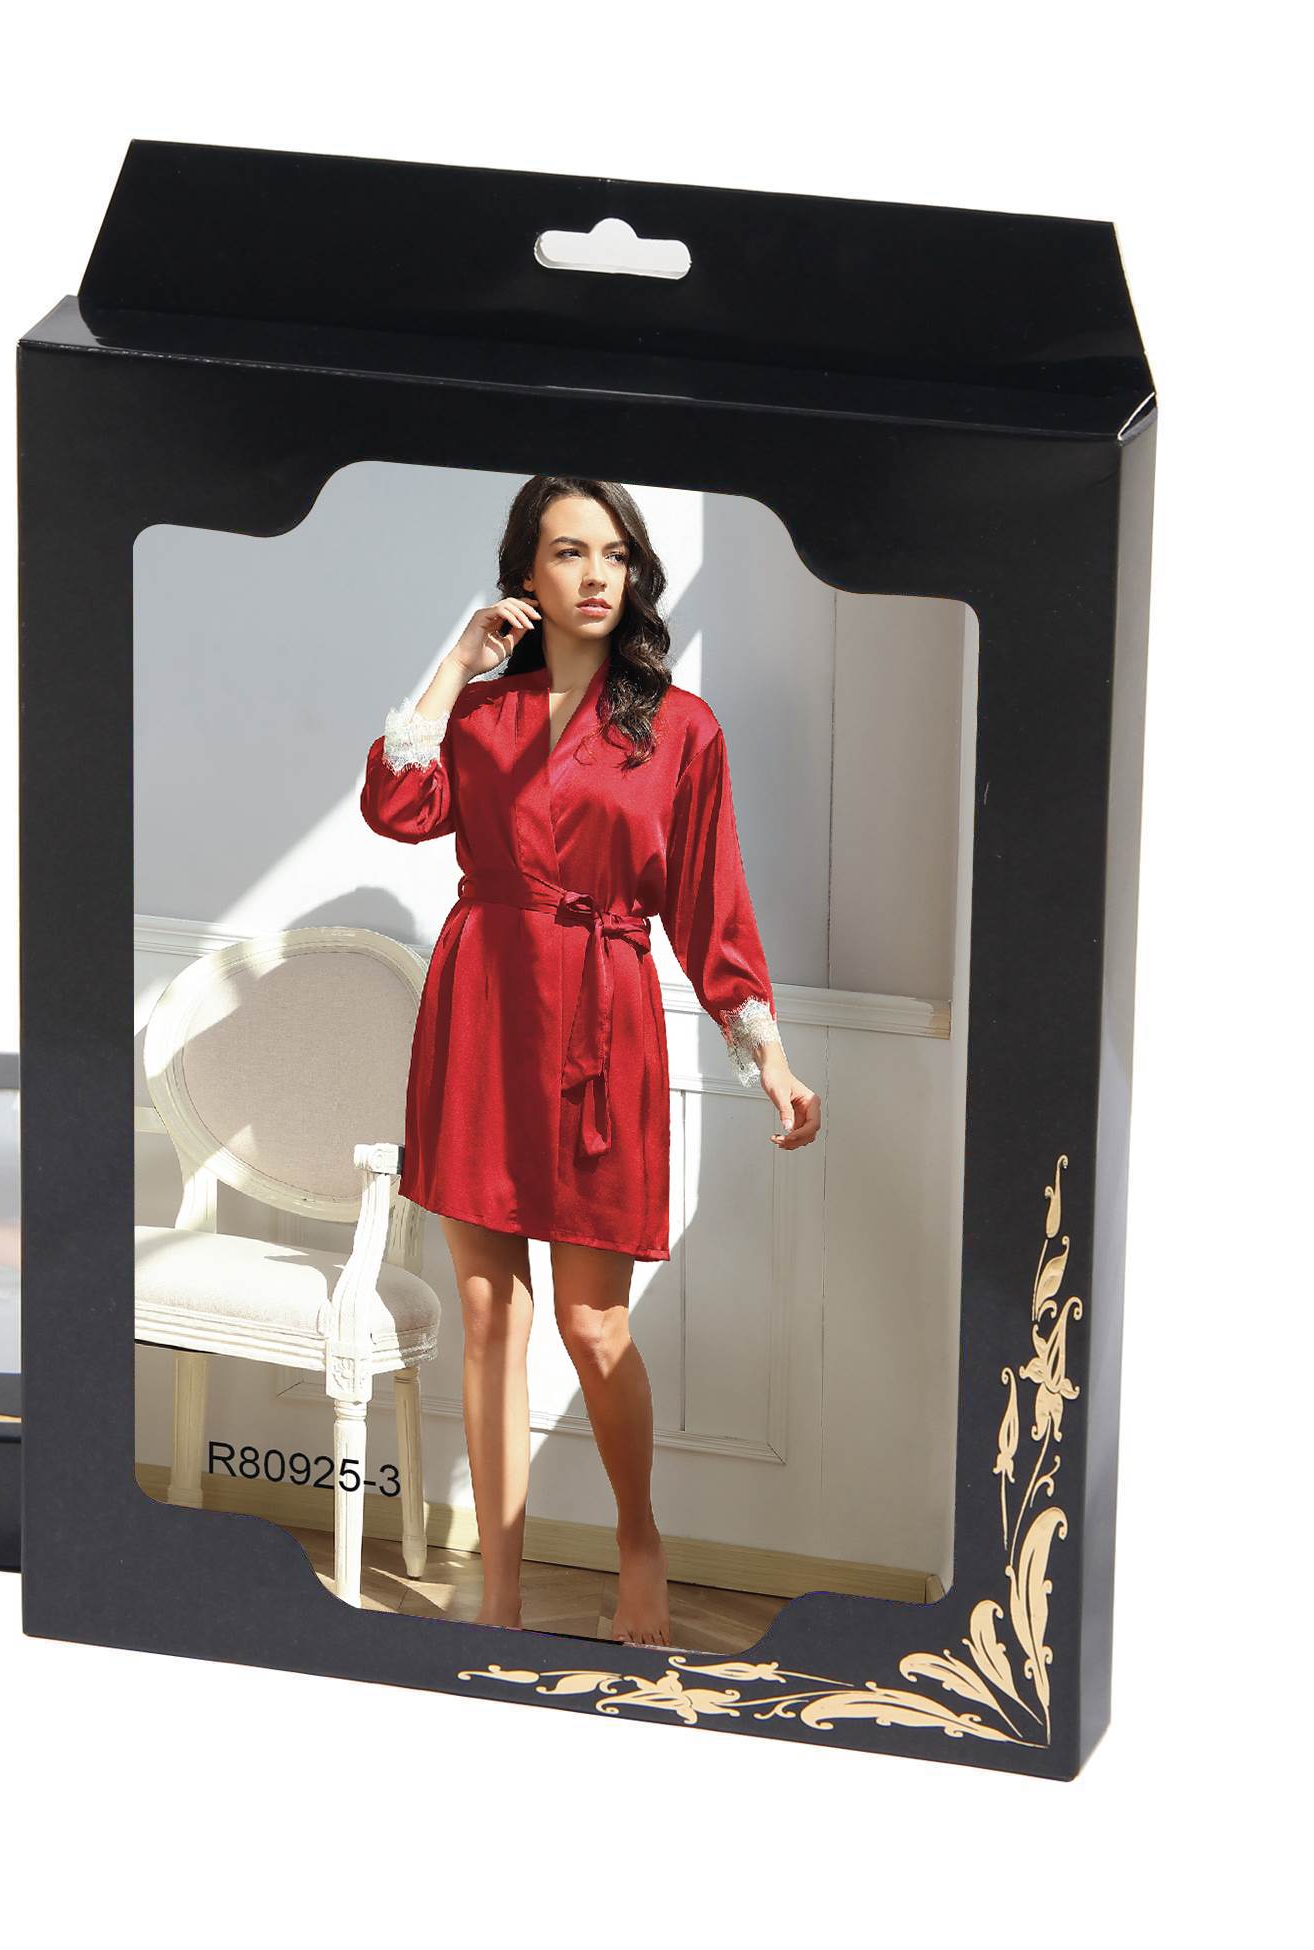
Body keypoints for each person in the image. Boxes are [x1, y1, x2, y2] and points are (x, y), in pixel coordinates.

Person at [359, 476, 821, 1646]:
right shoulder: (481, 717)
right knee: (486, 1317)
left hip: (602, 1023)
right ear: (527, 574)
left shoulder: (679, 727)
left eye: (615, 553)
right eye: (569, 552)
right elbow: (396, 807)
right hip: (482, 1014)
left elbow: (712, 908)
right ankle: (500, 1597)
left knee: (593, 1324)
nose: (597, 574)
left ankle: (639, 1540)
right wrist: (456, 662)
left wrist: (767, 1057)